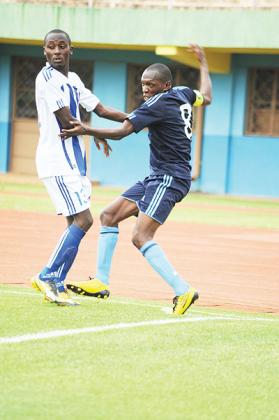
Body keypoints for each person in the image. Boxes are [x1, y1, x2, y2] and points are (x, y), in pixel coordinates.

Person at [61, 44, 212, 314]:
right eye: (142, 84)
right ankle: (101, 282)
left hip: (170, 177)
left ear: (164, 85)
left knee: (141, 235)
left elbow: (123, 131)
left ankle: (183, 290)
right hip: (157, 176)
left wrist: (85, 129)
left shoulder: (156, 102)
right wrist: (203, 64)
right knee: (108, 215)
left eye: (150, 85)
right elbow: (208, 97)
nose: (145, 89)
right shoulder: (183, 94)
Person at [32, 29, 127, 306]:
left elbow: (100, 109)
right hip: (56, 160)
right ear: (45, 51)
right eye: (51, 47)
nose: (57, 51)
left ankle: (58, 283)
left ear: (71, 49)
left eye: (62, 46)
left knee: (73, 223)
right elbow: (66, 122)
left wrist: (137, 118)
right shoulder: (47, 78)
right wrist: (98, 133)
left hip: (74, 161)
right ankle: (47, 275)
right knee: (84, 220)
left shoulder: (72, 79)